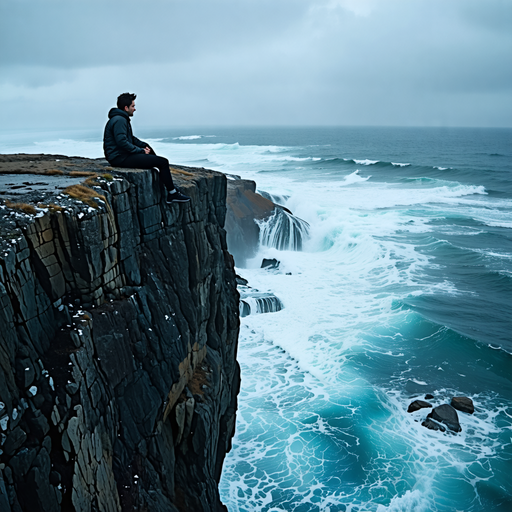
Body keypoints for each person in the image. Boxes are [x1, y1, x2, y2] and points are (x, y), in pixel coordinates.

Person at [103, 92, 190, 203]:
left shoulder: (120, 119)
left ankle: (166, 183)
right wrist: (140, 151)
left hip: (121, 155)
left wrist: (143, 145)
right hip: (119, 158)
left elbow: (130, 138)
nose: (135, 109)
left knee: (153, 155)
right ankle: (172, 194)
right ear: (126, 108)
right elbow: (122, 142)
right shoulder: (120, 120)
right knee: (163, 162)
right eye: (133, 106)